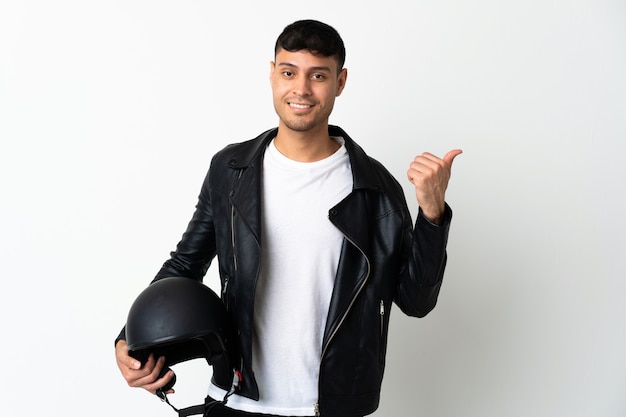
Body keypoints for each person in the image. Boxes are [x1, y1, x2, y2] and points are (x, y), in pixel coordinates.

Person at [115, 19, 462, 417]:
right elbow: (185, 264)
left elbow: (416, 301)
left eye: (318, 75)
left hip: (333, 407)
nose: (301, 89)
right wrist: (129, 339)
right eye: (288, 72)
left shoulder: (375, 188)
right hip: (236, 401)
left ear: (340, 81)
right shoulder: (230, 171)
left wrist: (432, 214)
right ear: (272, 74)